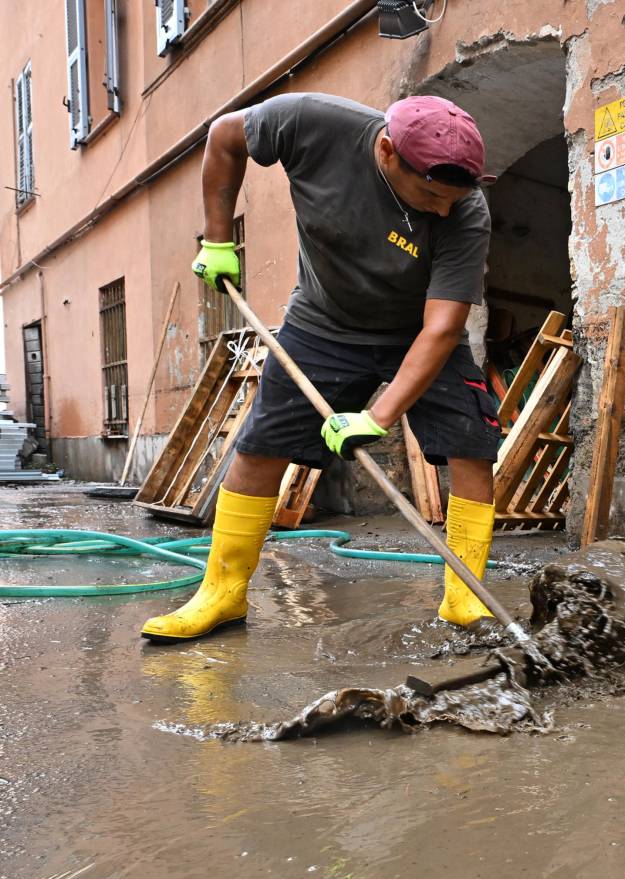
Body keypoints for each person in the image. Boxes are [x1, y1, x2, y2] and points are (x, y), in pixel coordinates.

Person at [140, 92, 502, 642]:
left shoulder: (466, 211)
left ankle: (464, 599)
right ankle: (222, 593)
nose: (443, 210)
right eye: (430, 194)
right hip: (323, 322)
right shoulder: (309, 122)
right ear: (386, 151)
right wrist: (217, 240)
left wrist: (377, 416)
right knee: (261, 446)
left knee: (472, 447)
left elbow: (442, 328)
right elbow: (223, 137)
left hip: (419, 332)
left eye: (453, 199)